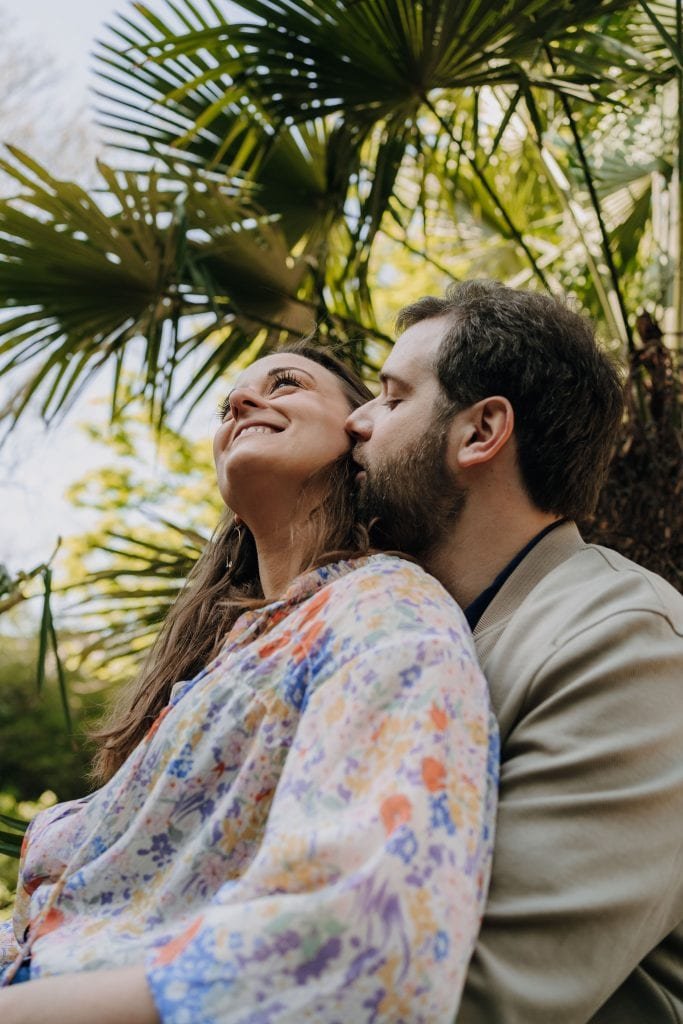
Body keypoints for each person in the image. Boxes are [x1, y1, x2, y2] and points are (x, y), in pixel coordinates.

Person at [0, 345, 498, 1024]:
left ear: (359, 432)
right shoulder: (229, 657)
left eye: (284, 384)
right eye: (228, 401)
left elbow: (370, 937)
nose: (238, 404)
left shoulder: (384, 608)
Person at [345, 278, 683, 1024]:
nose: (356, 422)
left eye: (393, 398)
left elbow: (488, 1000)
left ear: (479, 432)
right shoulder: (398, 631)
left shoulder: (628, 644)